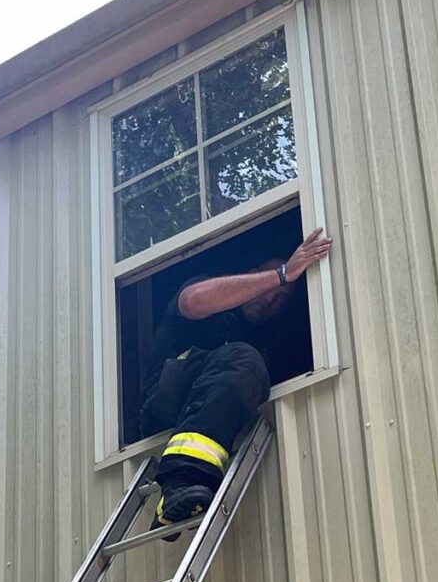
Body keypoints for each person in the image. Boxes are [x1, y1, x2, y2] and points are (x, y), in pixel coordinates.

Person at [139, 227, 333, 538]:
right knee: (243, 358)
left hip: (201, 409)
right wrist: (283, 274)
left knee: (248, 361)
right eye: (271, 286)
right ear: (253, 274)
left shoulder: (261, 345)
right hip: (163, 398)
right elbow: (193, 301)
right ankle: (179, 482)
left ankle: (180, 500)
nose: (274, 299)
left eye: (283, 299)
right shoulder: (214, 294)